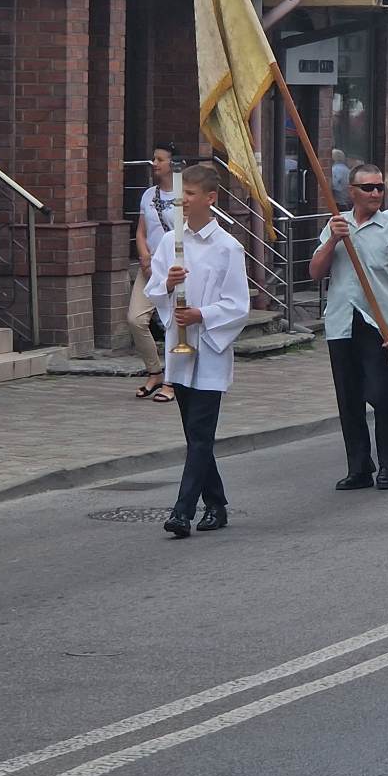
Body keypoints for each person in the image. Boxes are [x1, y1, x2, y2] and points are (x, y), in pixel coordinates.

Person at [146, 165, 252, 538]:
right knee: (195, 435)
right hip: (181, 350)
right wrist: (167, 284)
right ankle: (217, 504)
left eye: (190, 194)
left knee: (201, 432)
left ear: (210, 198)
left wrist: (202, 314)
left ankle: (182, 511)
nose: (183, 201)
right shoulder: (170, 242)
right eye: (181, 194)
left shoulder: (227, 247)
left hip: (209, 349)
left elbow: (238, 305)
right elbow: (154, 289)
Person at [311, 162, 388, 491]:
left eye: (379, 188)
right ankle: (359, 467)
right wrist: (333, 240)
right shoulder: (336, 224)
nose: (375, 193)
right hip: (342, 321)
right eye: (367, 188)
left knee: (381, 394)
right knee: (349, 399)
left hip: (380, 325)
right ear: (352, 192)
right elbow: (315, 272)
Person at [126, 145, 179, 403]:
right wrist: (144, 257)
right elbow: (141, 231)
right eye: (153, 159)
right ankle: (155, 372)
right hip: (149, 267)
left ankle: (172, 381)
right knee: (135, 319)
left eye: (160, 159)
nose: (154, 163)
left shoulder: (185, 193)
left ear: (172, 164)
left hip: (175, 268)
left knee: (174, 325)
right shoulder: (148, 194)